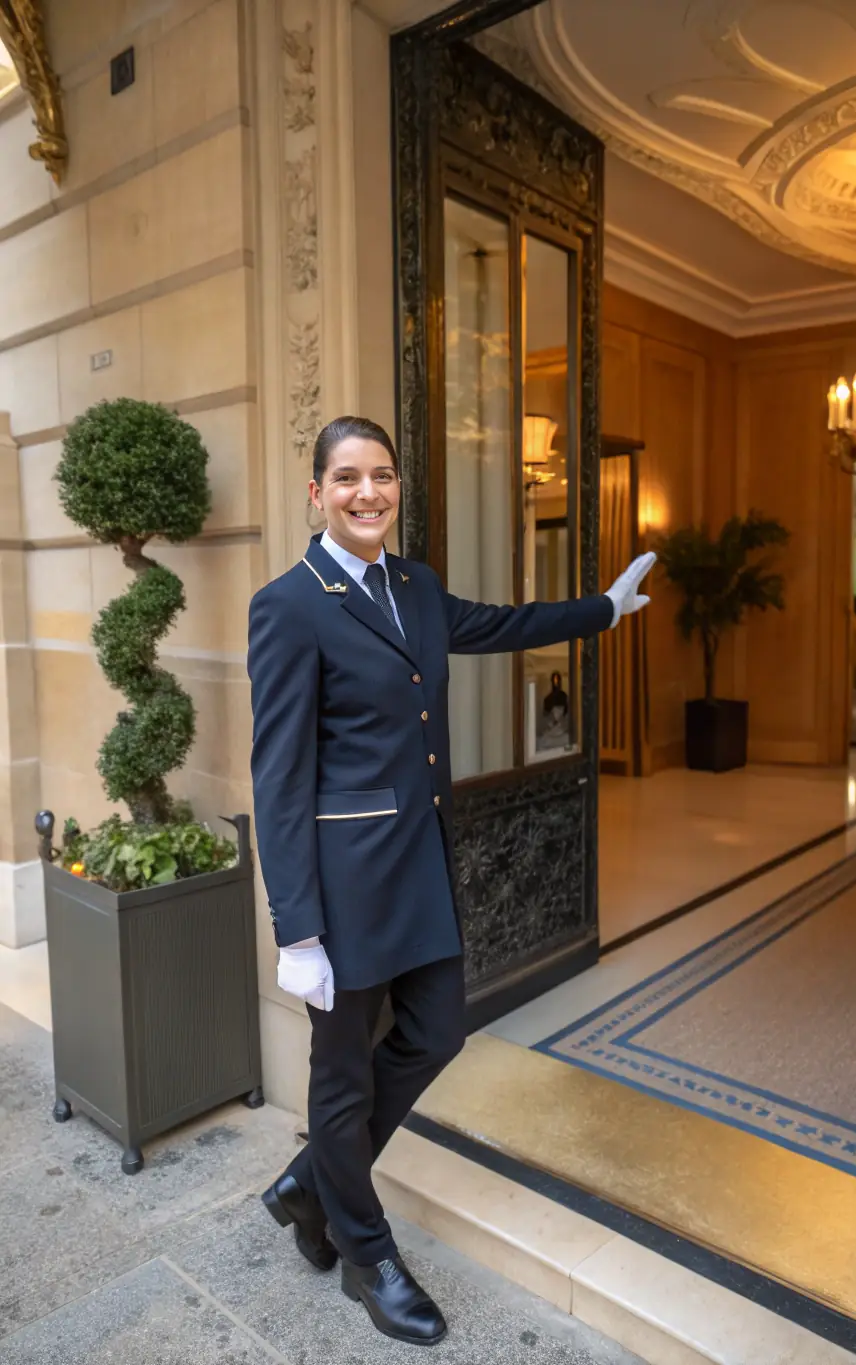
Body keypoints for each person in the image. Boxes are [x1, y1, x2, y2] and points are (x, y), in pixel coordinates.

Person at [247, 416, 655, 1346]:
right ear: (316, 493)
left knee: (436, 1031)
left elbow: (499, 625)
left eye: (381, 476)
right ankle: (366, 1252)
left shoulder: (415, 586)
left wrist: (602, 608)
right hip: (343, 890)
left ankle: (313, 1181)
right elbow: (278, 778)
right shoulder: (289, 603)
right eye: (346, 478)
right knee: (343, 1076)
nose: (367, 493)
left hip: (417, 871)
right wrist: (296, 927)